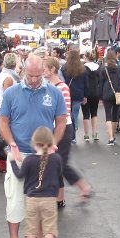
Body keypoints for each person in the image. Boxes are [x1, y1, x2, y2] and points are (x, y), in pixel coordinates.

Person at [0, 54, 67, 238]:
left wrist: (53, 143)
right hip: (18, 154)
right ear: (23, 71)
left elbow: (61, 121)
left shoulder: (54, 92)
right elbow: (2, 121)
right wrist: (12, 144)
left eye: (37, 75)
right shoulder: (12, 93)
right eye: (30, 75)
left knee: (41, 201)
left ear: (44, 71)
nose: (34, 80)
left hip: (43, 156)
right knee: (15, 199)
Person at [44, 56, 94, 206]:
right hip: (54, 128)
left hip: (63, 128)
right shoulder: (47, 86)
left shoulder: (62, 87)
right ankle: (60, 198)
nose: (42, 71)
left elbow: (64, 113)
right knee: (56, 163)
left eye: (45, 68)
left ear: (52, 69)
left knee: (60, 163)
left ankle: (84, 188)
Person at [10, 126, 62, 238]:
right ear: (51, 143)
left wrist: (13, 162)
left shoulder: (29, 160)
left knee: (31, 228)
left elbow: (20, 175)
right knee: (49, 228)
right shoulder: (56, 159)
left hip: (32, 199)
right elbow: (59, 174)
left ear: (34, 143)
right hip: (49, 199)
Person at [99, 47, 120, 146]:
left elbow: (100, 84)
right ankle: (114, 135)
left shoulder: (103, 69)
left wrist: (101, 96)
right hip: (118, 94)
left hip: (106, 94)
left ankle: (110, 137)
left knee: (108, 115)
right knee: (115, 115)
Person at [61, 50, 87, 144]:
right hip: (78, 94)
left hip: (66, 93)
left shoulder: (64, 68)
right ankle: (73, 136)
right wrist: (85, 95)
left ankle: (66, 134)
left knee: (66, 114)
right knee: (74, 115)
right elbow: (85, 83)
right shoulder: (82, 68)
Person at [81, 51, 103, 142]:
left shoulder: (83, 68)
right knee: (94, 112)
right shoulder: (99, 67)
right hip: (96, 93)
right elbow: (101, 81)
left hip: (86, 93)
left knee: (86, 114)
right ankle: (94, 133)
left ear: (86, 57)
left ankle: (86, 134)